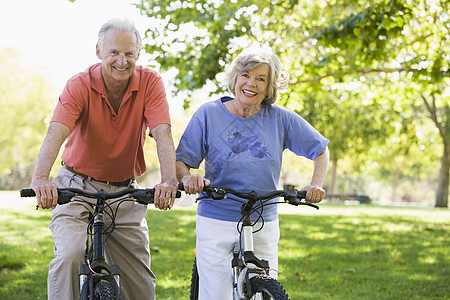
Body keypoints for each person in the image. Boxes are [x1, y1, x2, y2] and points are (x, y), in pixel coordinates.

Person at [30, 18, 178, 300]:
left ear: (138, 54)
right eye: (114, 53)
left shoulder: (150, 82)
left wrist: (169, 180)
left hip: (125, 191)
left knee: (141, 285)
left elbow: (162, 131)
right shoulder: (79, 84)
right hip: (76, 185)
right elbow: (56, 131)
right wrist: (40, 178)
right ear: (98, 51)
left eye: (129, 53)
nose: (122, 61)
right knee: (70, 255)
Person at [176, 44, 330, 299]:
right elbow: (181, 161)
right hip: (217, 216)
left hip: (263, 218)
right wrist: (187, 178)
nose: (251, 83)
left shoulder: (280, 118)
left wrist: (316, 183)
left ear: (269, 87)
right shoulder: (209, 114)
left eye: (261, 79)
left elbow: (320, 150)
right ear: (235, 78)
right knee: (216, 293)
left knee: (264, 292)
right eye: (245, 75)